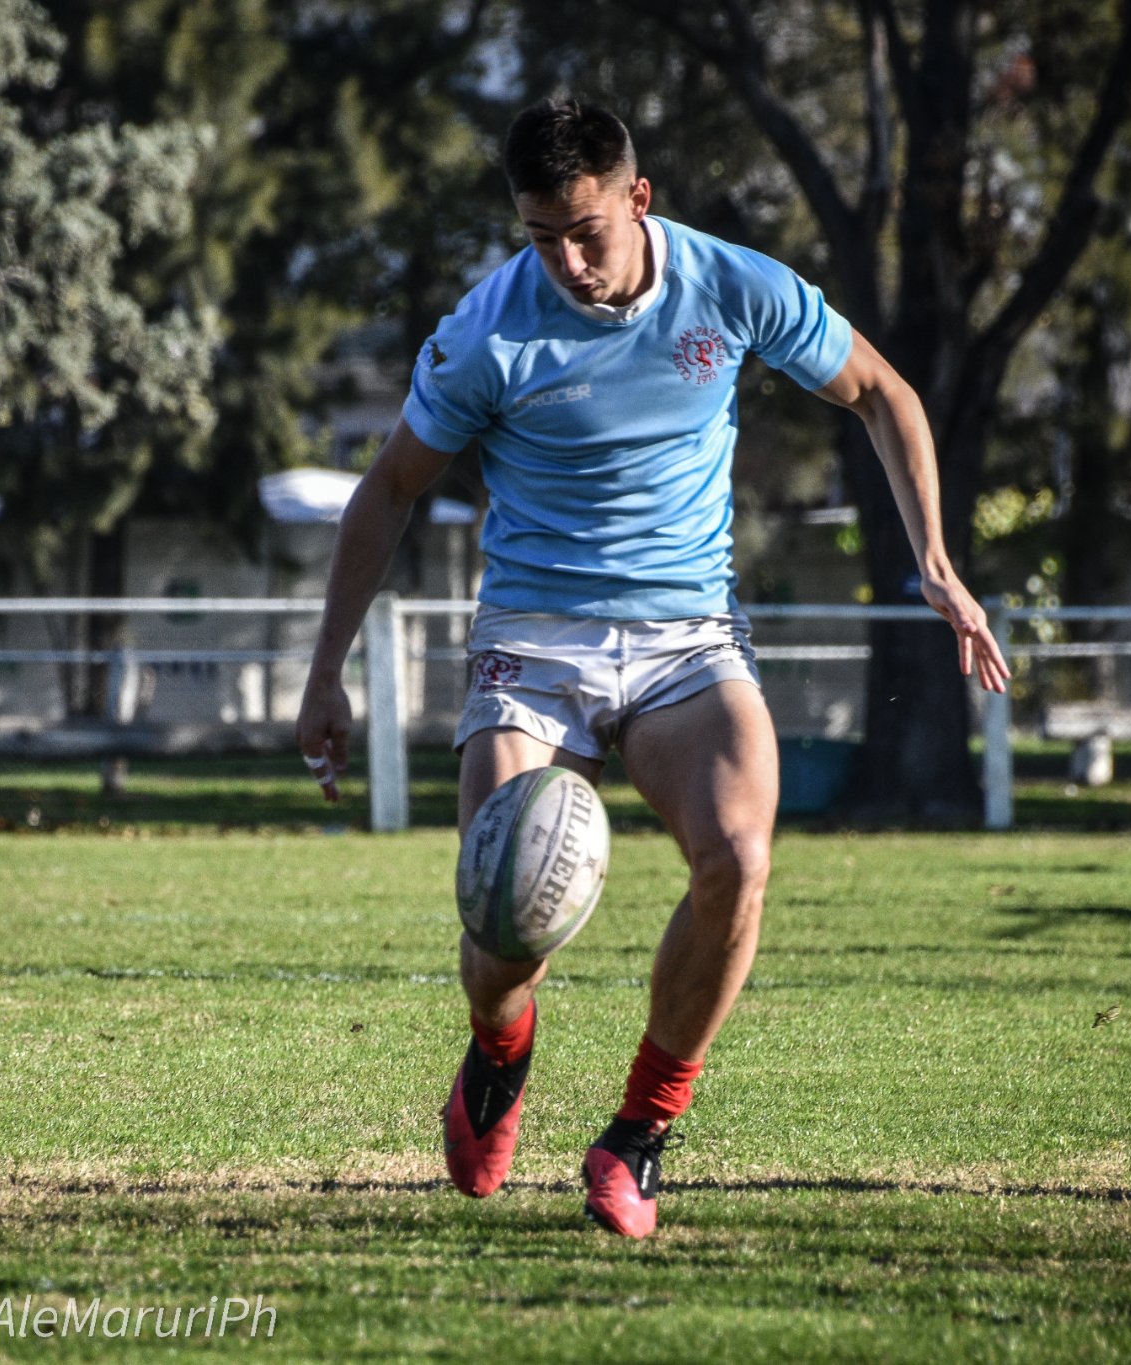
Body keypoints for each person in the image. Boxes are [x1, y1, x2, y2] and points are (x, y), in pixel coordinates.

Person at [295, 97, 1009, 1239]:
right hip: (533, 642)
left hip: (686, 638)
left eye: (583, 229)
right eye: (538, 234)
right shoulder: (489, 330)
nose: (565, 261)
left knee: (737, 857)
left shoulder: (731, 285)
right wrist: (324, 670)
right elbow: (387, 487)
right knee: (499, 921)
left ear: (638, 197)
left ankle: (635, 1138)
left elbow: (882, 392)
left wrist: (932, 558)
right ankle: (497, 1049)